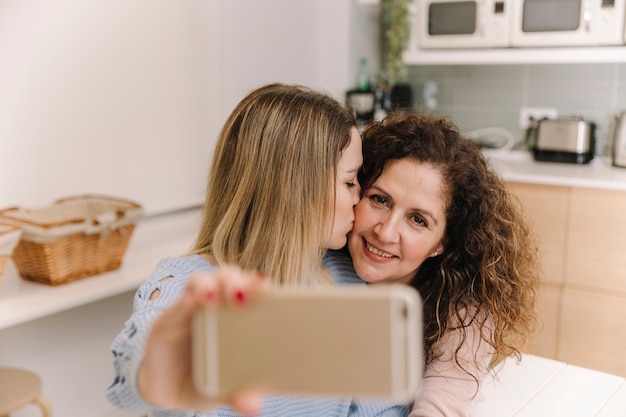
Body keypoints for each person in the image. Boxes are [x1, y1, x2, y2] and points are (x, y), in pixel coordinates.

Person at [105, 83, 409, 417]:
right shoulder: (188, 287)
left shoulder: (345, 276)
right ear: (297, 189)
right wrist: (159, 368)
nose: (358, 197)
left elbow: (380, 408)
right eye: (350, 181)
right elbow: (137, 367)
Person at [326, 112, 540, 417]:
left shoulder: (462, 313)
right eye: (380, 200)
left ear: (442, 242)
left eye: (417, 220)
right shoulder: (321, 260)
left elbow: (441, 408)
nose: (385, 232)